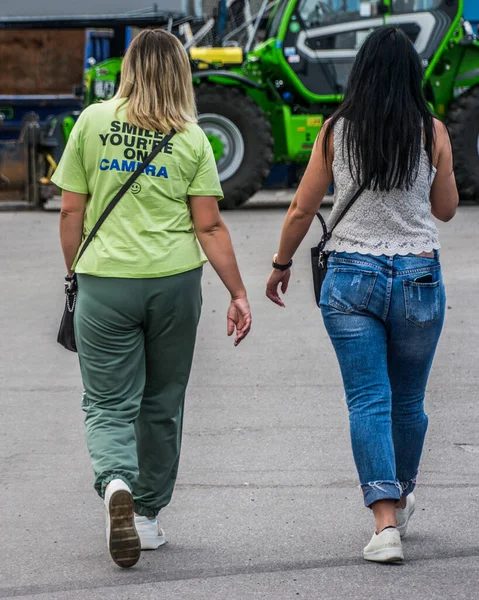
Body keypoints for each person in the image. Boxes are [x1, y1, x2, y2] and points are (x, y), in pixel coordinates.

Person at [52, 29, 251, 569]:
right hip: (174, 283)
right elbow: (208, 227)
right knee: (162, 401)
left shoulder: (92, 122)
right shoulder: (192, 139)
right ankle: (146, 515)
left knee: (109, 401)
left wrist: (77, 273)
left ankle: (116, 480)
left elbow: (71, 212)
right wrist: (237, 292)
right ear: (181, 75)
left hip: (106, 282)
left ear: (129, 67)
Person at [266, 27, 458, 563]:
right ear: (412, 75)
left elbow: (302, 209)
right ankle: (400, 491)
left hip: (351, 276)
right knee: (409, 402)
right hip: (419, 277)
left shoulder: (336, 131)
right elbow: (445, 209)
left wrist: (281, 264)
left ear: (363, 71)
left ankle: (385, 522)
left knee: (368, 401)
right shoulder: (431, 130)